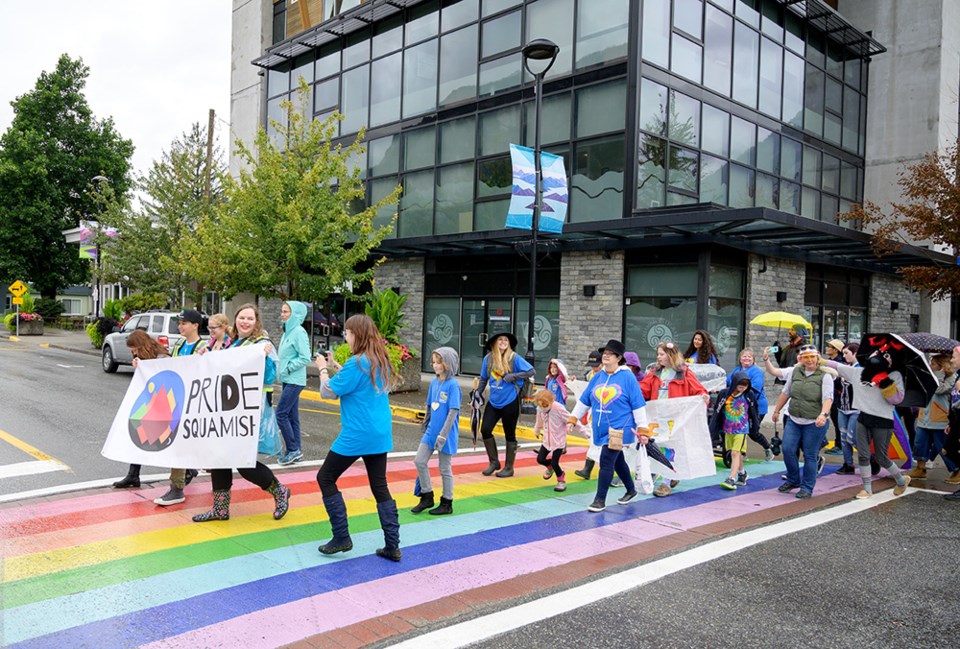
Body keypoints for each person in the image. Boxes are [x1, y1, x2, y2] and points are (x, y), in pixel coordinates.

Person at [313, 314, 402, 561]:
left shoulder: (357, 363)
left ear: (358, 335)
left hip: (357, 433)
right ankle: (392, 545)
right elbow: (358, 382)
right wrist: (336, 368)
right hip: (379, 433)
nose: (346, 337)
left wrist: (322, 368)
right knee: (379, 486)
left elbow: (327, 391)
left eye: (348, 333)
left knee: (325, 477)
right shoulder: (378, 359)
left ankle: (341, 537)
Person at [192, 303, 292, 523]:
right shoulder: (232, 344)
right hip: (226, 410)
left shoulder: (262, 344)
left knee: (242, 461)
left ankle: (279, 491)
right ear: (235, 319)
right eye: (241, 317)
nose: (245, 322)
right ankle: (220, 509)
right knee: (219, 457)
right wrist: (205, 356)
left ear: (256, 322)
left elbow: (269, 379)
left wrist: (264, 359)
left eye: (250, 319)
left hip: (249, 411)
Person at [821, 340, 911, 499]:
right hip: (863, 418)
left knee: (881, 457)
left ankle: (901, 480)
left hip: (883, 421)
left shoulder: (895, 375)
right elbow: (838, 366)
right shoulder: (860, 372)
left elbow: (897, 400)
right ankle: (867, 489)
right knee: (863, 455)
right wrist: (818, 359)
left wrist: (885, 384)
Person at [568, 340, 651, 512]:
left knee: (606, 459)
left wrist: (643, 429)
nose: (605, 355)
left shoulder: (627, 377)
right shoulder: (598, 376)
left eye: (609, 353)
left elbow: (638, 404)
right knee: (617, 459)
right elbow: (585, 399)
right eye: (604, 352)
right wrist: (573, 418)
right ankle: (630, 489)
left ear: (618, 358)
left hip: (620, 428)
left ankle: (599, 500)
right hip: (601, 427)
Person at [153, 309, 208, 506]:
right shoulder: (180, 344)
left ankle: (181, 484)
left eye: (184, 323)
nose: (180, 326)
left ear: (195, 325)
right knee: (177, 444)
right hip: (178, 401)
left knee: (189, 444)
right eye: (180, 323)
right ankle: (179, 484)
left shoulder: (205, 346)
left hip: (196, 403)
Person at [640, 341, 709, 496]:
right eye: (658, 354)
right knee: (657, 447)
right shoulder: (654, 373)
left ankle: (665, 482)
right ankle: (671, 475)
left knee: (670, 449)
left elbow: (698, 389)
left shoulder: (683, 372)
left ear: (670, 355)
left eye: (661, 354)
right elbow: (642, 389)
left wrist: (702, 397)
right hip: (657, 417)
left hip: (675, 419)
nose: (658, 357)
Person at [771, 344, 833, 498]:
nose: (810, 360)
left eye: (812, 357)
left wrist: (823, 414)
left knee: (810, 455)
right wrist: (777, 410)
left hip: (814, 422)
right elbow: (786, 392)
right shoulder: (796, 372)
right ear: (801, 359)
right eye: (806, 357)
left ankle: (807, 487)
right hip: (794, 419)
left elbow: (828, 398)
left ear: (818, 357)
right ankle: (793, 479)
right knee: (787, 449)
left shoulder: (825, 375)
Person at [111, 330, 169, 489]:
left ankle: (187, 469)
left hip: (162, 404)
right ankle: (133, 474)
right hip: (148, 402)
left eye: (134, 349)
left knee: (163, 438)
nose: (134, 353)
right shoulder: (142, 357)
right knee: (139, 435)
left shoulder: (162, 357)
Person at [476, 332, 535, 478]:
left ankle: (509, 467)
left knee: (510, 434)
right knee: (485, 430)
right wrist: (477, 394)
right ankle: (494, 462)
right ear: (494, 343)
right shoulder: (488, 359)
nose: (503, 342)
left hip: (510, 401)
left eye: (505, 340)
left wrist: (513, 376)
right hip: (494, 401)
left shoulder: (514, 358)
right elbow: (483, 378)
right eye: (500, 340)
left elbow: (531, 371)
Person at [411, 347, 461, 516]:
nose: (435, 365)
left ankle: (447, 502)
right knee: (419, 460)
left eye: (439, 362)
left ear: (449, 363)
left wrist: (443, 435)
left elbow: (453, 412)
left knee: (444, 468)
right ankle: (426, 496)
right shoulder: (434, 383)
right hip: (431, 431)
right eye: (434, 362)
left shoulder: (453, 385)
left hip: (445, 434)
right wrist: (426, 424)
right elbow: (429, 406)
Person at [908, 353, 957, 480]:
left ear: (942, 366)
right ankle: (920, 468)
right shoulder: (929, 376)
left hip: (939, 418)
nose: (931, 366)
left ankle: (955, 470)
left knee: (942, 447)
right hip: (924, 416)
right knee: (919, 444)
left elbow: (940, 389)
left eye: (934, 364)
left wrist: (939, 375)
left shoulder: (952, 377)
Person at [710, 372, 760, 490]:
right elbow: (717, 411)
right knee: (734, 453)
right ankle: (742, 473)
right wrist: (714, 428)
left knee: (735, 453)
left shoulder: (749, 395)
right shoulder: (724, 394)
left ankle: (731, 478)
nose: (743, 386)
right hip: (728, 429)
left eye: (746, 384)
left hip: (742, 429)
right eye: (740, 383)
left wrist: (755, 426)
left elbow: (754, 410)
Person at [276, 300, 311, 466]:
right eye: (282, 311)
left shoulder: (298, 332)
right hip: (287, 379)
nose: (282, 314)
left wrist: (289, 368)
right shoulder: (287, 331)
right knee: (291, 416)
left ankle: (292, 449)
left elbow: (305, 356)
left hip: (294, 380)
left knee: (281, 413)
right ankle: (296, 450)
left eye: (286, 312)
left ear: (295, 314)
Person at [534, 388, 587, 492]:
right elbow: (539, 420)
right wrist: (537, 430)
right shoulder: (540, 409)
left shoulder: (558, 409)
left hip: (558, 441)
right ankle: (550, 467)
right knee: (540, 459)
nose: (543, 408)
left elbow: (571, 418)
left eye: (545, 406)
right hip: (547, 440)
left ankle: (561, 479)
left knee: (555, 462)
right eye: (540, 406)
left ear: (551, 401)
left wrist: (583, 430)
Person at [728, 347, 773, 460]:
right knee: (740, 429)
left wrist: (737, 392)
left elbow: (755, 387)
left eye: (749, 356)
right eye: (744, 356)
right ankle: (742, 454)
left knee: (752, 432)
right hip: (740, 407)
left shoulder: (756, 371)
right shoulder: (737, 370)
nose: (746, 358)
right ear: (740, 359)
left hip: (757, 407)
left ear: (753, 360)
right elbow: (727, 381)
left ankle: (768, 448)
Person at [574, 350, 603, 480]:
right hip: (593, 410)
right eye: (591, 365)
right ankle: (588, 469)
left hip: (604, 411)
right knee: (593, 439)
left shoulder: (607, 376)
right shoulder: (589, 375)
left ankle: (592, 469)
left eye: (596, 365)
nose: (593, 368)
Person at [835, 343, 861, 475]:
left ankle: (870, 458)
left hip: (856, 409)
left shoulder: (860, 368)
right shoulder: (847, 368)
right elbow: (839, 387)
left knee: (852, 438)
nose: (844, 356)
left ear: (855, 353)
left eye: (846, 353)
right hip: (843, 407)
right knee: (844, 438)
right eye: (843, 353)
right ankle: (848, 464)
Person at [942, 346, 960, 500]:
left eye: (954, 357)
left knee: (950, 449)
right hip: (955, 420)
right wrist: (950, 422)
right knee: (948, 449)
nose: (952, 360)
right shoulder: (958, 377)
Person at [824, 339, 846, 454]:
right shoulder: (829, 361)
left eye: (829, 346)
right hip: (830, 395)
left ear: (836, 350)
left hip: (838, 397)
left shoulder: (840, 364)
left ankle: (840, 445)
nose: (826, 348)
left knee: (838, 421)